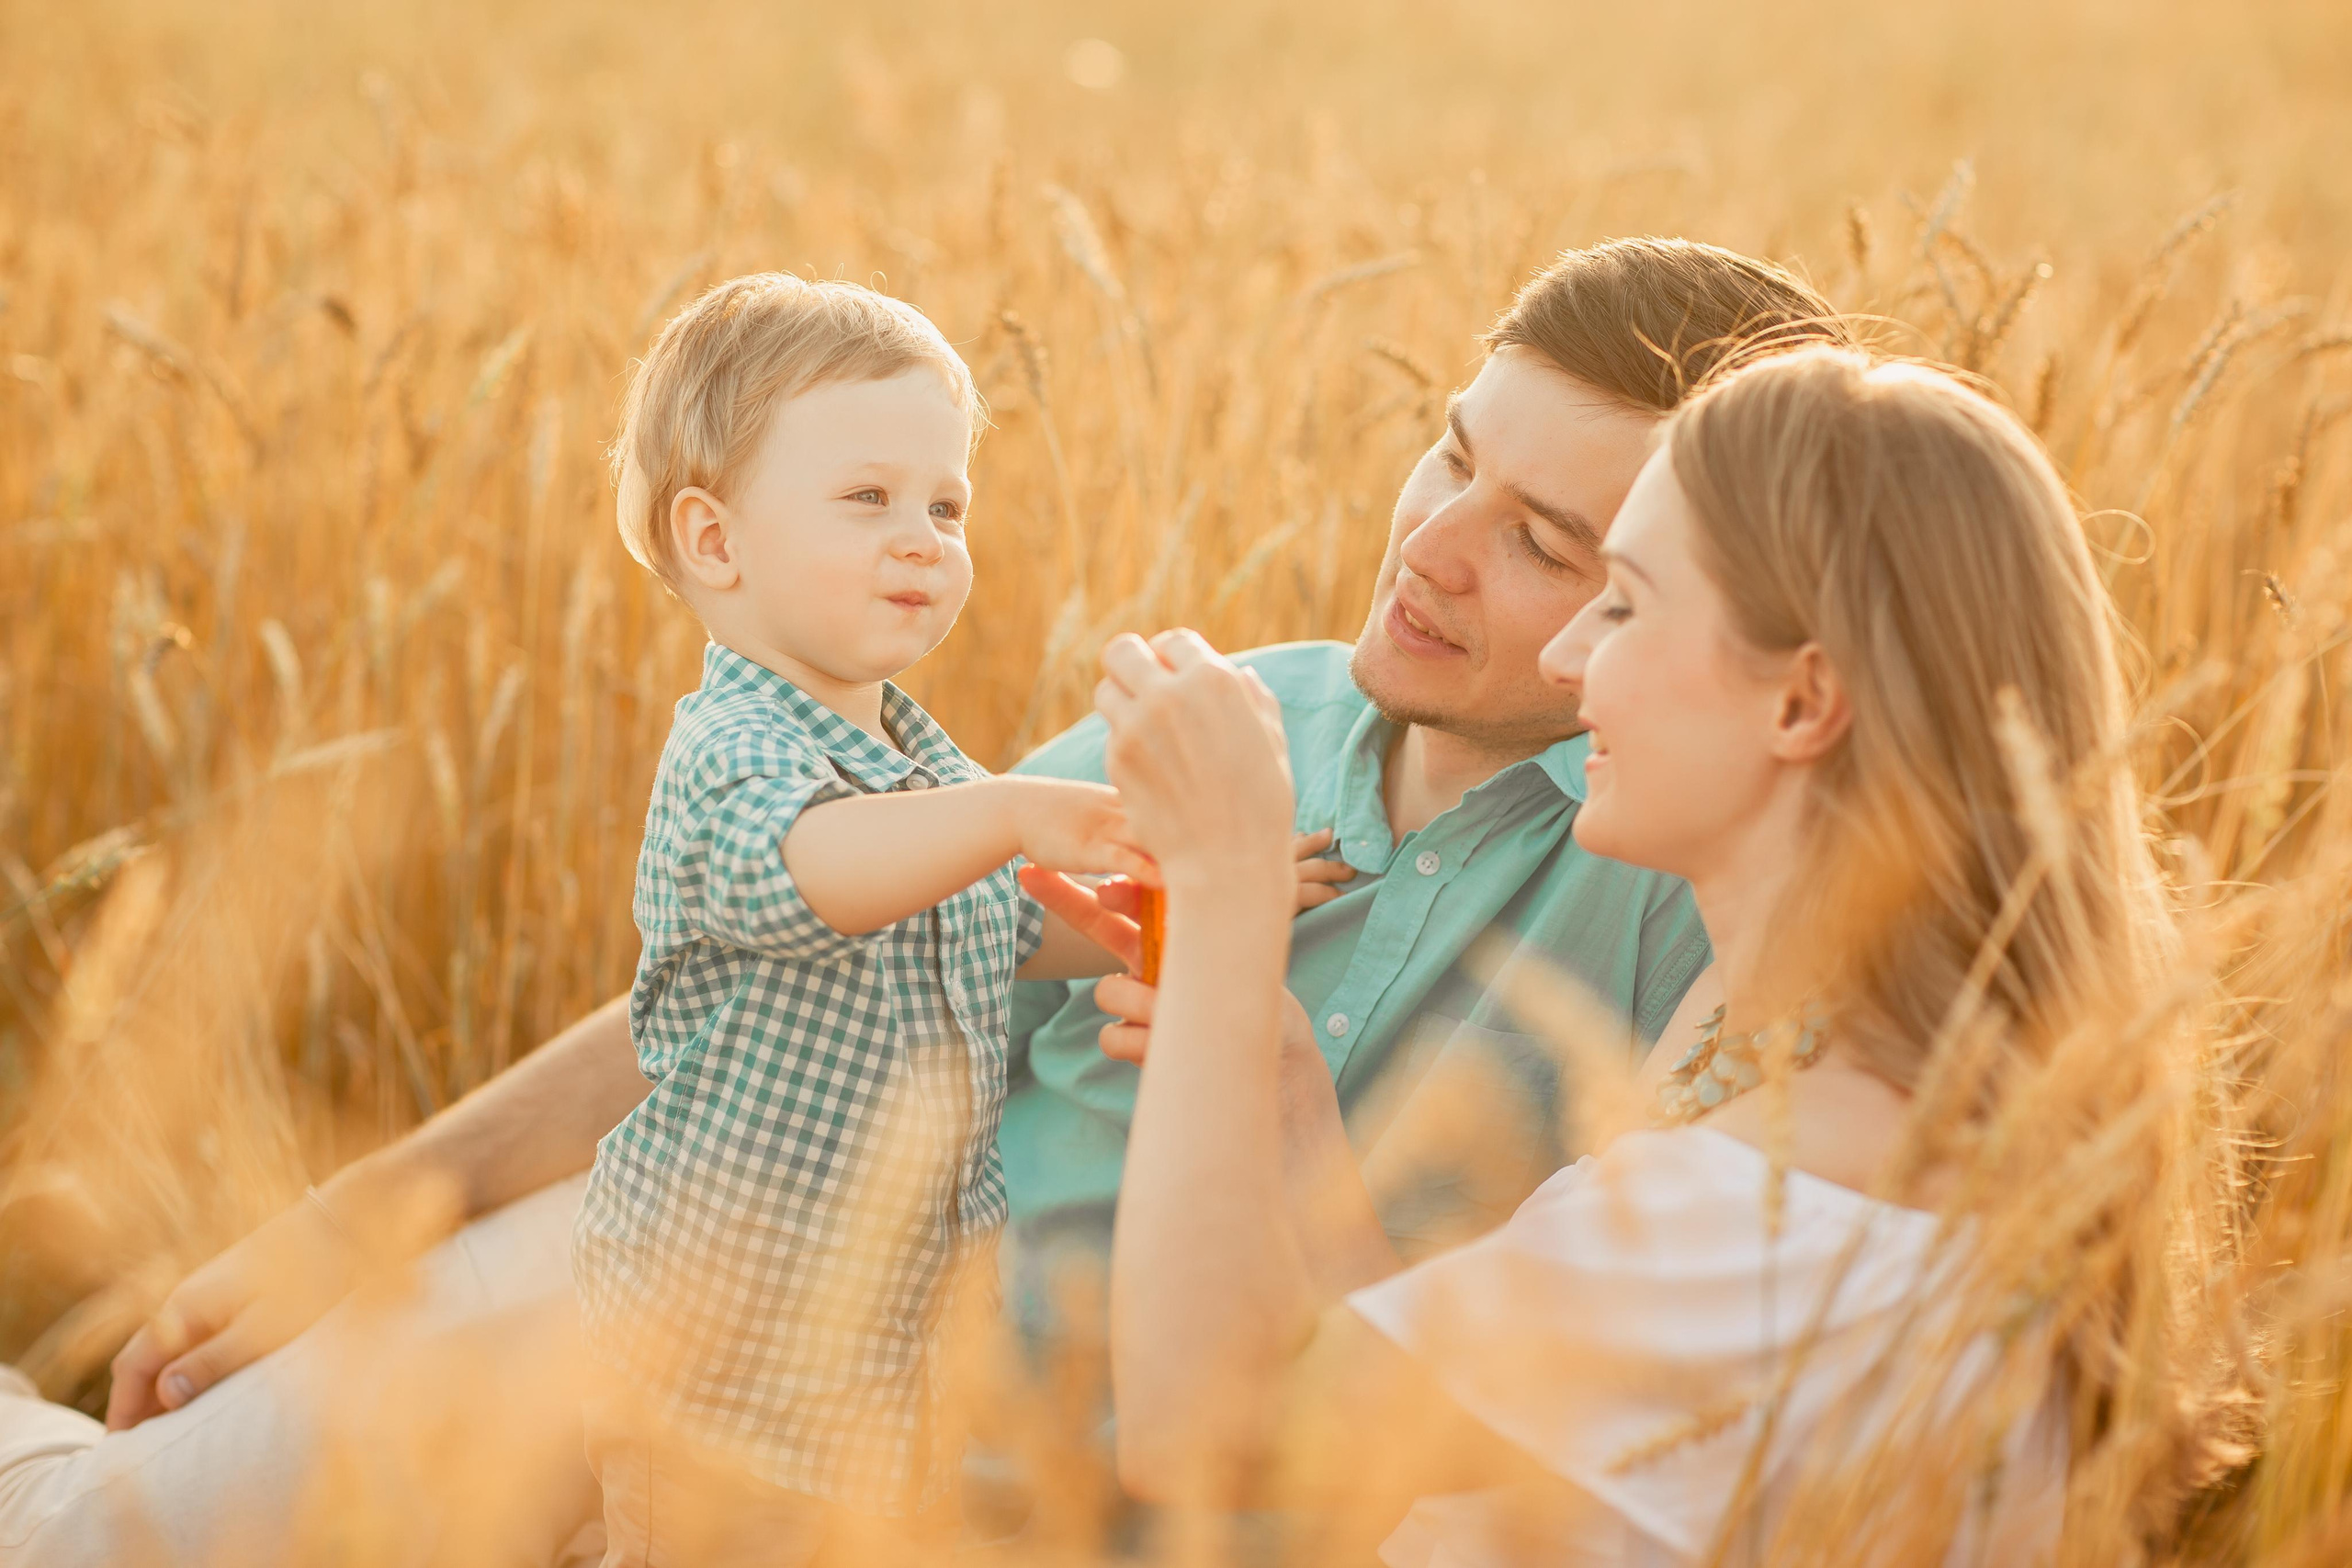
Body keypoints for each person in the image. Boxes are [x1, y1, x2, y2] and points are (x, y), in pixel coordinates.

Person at [0, 241, 1848, 1565]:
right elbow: (785, 947)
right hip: (722, 1264)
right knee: (107, 1522)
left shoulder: (1685, 902)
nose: (1431, 543)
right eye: (1448, 450)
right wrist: (382, 1199)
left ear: (1682, 605)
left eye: (1544, 543)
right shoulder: (1240, 709)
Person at [1090, 347, 2195, 1563]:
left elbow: (1199, 1429)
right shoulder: (1856, 1096)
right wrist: (1287, 1100)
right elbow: (1438, 1428)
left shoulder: (1751, 1215)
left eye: (1619, 601)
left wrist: (1224, 881)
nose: (1571, 661)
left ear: (1799, 702)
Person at [569, 273, 1160, 1563]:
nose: (925, 538)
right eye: (869, 500)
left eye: (946, 505)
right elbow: (821, 878)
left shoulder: (910, 760)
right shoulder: (732, 751)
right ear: (716, 542)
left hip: (888, 1370)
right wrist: (1014, 812)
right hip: (722, 1371)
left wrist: (1144, 907)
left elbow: (985, 930)